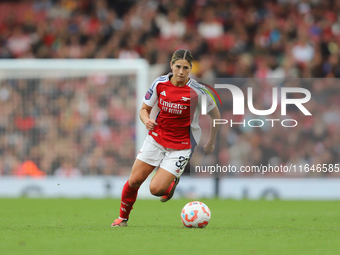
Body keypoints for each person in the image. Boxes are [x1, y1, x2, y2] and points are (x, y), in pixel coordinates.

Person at [111, 49, 220, 227]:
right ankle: (122, 218)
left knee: (155, 190)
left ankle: (171, 181)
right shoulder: (159, 84)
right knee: (134, 181)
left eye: (186, 68)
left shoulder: (198, 91)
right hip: (156, 139)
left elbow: (216, 116)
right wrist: (147, 121)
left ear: (191, 68)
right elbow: (143, 110)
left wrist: (211, 142)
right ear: (171, 65)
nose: (181, 71)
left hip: (182, 145)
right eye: (178, 66)